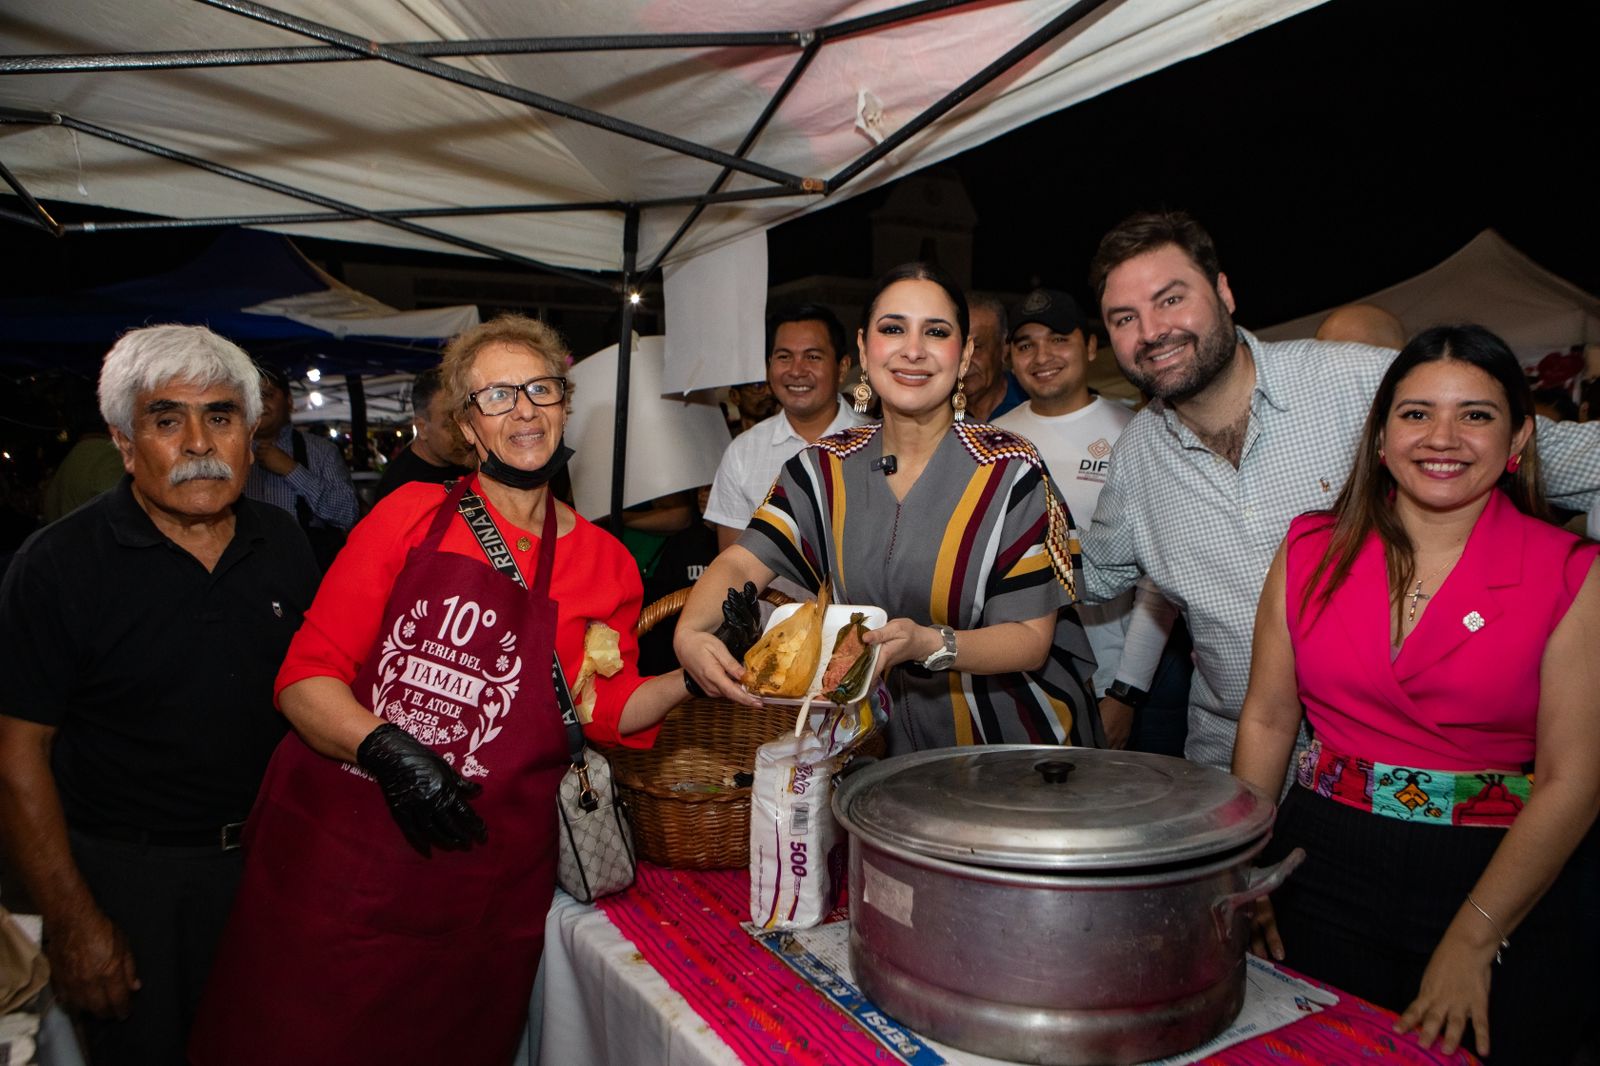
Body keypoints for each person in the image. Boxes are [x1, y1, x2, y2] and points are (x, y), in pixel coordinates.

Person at [188, 314, 687, 1066]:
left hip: (483, 886)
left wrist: (697, 675)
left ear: (563, 404)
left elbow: (602, 712)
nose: (523, 409)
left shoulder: (608, 562)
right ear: (467, 425)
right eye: (496, 396)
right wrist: (384, 748)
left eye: (540, 389)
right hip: (348, 866)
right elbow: (304, 676)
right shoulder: (409, 518)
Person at [1080, 210, 1600, 768]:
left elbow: (1580, 461)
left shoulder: (1364, 383)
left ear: (1224, 291)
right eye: (1124, 318)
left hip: (1401, 768)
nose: (1153, 331)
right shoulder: (1134, 455)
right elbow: (1090, 578)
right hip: (1232, 764)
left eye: (1171, 299)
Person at [1233, 325, 1600, 1063]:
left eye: (1476, 414)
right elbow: (1270, 719)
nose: (1443, 437)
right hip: (1319, 862)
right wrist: (1242, 871)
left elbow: (1575, 781)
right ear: (1379, 436)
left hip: (1496, 874)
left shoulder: (1572, 573)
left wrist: (1473, 938)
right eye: (1415, 412)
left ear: (1518, 436)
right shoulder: (1310, 549)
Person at [0, 324, 319, 1065]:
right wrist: (75, 923)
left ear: (251, 430)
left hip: (272, 870)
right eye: (167, 419)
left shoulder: (285, 542)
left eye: (221, 415)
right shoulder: (57, 566)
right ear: (123, 442)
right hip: (127, 886)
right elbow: (17, 757)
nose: (200, 443)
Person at [677, 263, 1098, 754]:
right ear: (863, 349)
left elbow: (1030, 637)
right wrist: (689, 632)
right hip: (878, 745)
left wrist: (930, 644)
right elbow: (740, 560)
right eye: (893, 328)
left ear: (963, 357)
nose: (912, 349)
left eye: (936, 332)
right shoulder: (821, 470)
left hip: (1010, 748)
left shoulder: (1011, 470)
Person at [994, 289, 1188, 754]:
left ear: (1090, 346)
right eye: (1025, 344)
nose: (1042, 356)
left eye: (1059, 339)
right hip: (1024, 674)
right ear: (1010, 357)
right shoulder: (995, 441)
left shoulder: (1138, 433)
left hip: (1125, 680)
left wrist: (1126, 691)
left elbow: (1157, 579)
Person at [703, 304, 863, 553]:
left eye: (812, 357)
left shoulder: (876, 442)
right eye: (784, 357)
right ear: (769, 365)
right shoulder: (743, 453)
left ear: (842, 367)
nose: (796, 371)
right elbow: (731, 566)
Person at [243, 364, 359, 568]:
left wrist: (292, 471)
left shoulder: (321, 451)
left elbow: (347, 514)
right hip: (245, 566)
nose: (259, 403)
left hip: (305, 568)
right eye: (251, 397)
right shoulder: (227, 452)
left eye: (267, 394)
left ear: (289, 402)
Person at [373, 366, 476, 500]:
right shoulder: (398, 489)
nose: (463, 433)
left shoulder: (469, 462)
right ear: (422, 428)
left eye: (465, 420)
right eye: (449, 426)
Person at [960, 292, 1026, 423]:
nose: (963, 360)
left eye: (976, 347)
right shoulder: (931, 411)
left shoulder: (1030, 403)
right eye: (957, 347)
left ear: (1004, 349)